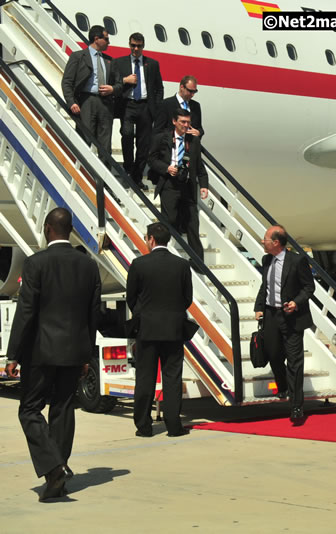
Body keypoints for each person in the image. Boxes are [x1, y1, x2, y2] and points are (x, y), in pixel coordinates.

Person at [4, 208, 101, 501]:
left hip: (41, 351)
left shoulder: (36, 264)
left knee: (29, 410)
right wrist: (86, 354)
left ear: (48, 229)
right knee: (62, 408)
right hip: (73, 351)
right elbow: (92, 315)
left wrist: (13, 355)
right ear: (70, 230)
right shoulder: (88, 266)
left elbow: (26, 312)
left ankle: (54, 468)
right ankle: (58, 473)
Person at [127, 222, 193, 438]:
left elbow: (131, 297)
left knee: (145, 378)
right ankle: (174, 425)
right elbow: (187, 299)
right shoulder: (182, 265)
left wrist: (143, 314)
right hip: (173, 329)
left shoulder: (139, 264)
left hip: (147, 329)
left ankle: (144, 426)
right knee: (172, 377)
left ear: (151, 239)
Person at [254, 225, 315, 422]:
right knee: (273, 353)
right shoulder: (266, 260)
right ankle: (282, 386)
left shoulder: (297, 261)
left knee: (295, 361)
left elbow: (309, 287)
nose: (263, 242)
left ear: (276, 243)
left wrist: (296, 303)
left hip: (291, 316)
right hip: (271, 315)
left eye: (265, 239)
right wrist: (259, 306)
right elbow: (266, 285)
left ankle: (296, 406)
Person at [148, 108, 209, 264]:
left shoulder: (193, 141)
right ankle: (164, 256)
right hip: (169, 184)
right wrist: (166, 168)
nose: (186, 125)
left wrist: (203, 185)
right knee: (170, 220)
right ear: (174, 121)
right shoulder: (162, 138)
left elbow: (199, 166)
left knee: (193, 224)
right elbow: (152, 160)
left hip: (187, 186)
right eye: (183, 122)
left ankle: (198, 262)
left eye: (188, 122)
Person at [112, 32, 164, 190]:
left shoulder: (152, 64)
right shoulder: (120, 63)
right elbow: (113, 82)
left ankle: (137, 176)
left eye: (139, 46)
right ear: (129, 45)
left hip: (145, 106)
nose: (136, 48)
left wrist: (156, 107)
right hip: (127, 105)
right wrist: (125, 80)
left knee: (144, 144)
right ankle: (128, 169)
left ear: (143, 46)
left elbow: (158, 88)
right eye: (133, 45)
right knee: (127, 135)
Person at [61, 25, 122, 156]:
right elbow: (67, 81)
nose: (108, 42)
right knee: (85, 139)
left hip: (105, 104)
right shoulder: (78, 56)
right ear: (96, 39)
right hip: (86, 101)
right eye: (106, 39)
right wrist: (71, 102)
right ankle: (83, 172)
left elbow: (119, 84)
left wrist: (112, 89)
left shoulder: (110, 61)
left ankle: (104, 173)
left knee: (105, 143)